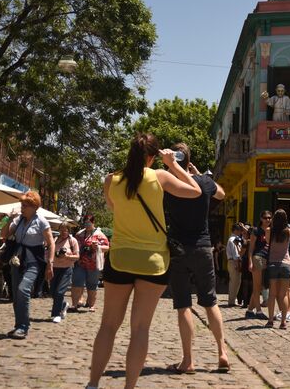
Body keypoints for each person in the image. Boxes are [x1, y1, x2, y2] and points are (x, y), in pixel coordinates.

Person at [87, 133, 201, 389]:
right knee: (140, 329)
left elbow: (114, 208)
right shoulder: (160, 177)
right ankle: (129, 387)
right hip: (153, 262)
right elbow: (195, 191)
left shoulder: (111, 180)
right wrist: (173, 165)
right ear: (152, 156)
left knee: (108, 325)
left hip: (121, 259)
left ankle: (93, 384)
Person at [163, 142, 229, 375]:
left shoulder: (168, 183)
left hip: (179, 249)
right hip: (203, 248)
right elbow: (221, 193)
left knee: (183, 305)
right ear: (188, 160)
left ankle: (188, 360)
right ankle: (222, 352)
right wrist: (200, 174)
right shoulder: (203, 182)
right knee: (210, 301)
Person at [0, 191, 54, 339]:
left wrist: (50, 263)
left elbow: (51, 243)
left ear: (35, 207)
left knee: (23, 290)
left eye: (25, 205)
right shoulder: (18, 220)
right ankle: (19, 325)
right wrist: (8, 218)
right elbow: (3, 234)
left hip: (33, 262)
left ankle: (24, 326)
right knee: (16, 295)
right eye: (21, 205)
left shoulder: (41, 221)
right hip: (17, 261)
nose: (22, 208)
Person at [265, 209, 290, 330]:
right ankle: (283, 322)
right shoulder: (289, 232)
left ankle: (270, 320)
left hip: (273, 264)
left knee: (272, 294)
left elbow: (267, 242)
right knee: (283, 295)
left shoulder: (269, 231)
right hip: (286, 264)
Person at [75, 217, 109, 312]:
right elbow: (75, 245)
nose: (87, 224)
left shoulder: (100, 234)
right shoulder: (80, 234)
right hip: (80, 263)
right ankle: (78, 301)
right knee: (78, 282)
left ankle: (91, 304)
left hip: (94, 264)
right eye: (85, 223)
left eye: (89, 223)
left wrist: (97, 246)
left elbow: (107, 247)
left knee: (92, 285)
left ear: (93, 223)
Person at [50, 224, 79, 323]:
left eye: (65, 230)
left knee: (59, 292)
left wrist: (66, 256)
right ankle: (63, 305)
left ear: (69, 231)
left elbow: (77, 256)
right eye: (61, 230)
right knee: (53, 292)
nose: (63, 232)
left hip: (66, 269)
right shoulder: (54, 240)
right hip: (54, 268)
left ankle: (56, 314)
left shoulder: (72, 241)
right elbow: (48, 253)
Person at [246, 211, 272, 320]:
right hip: (258, 258)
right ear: (261, 219)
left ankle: (249, 311)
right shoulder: (256, 231)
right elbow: (251, 248)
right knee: (257, 287)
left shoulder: (270, 231)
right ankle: (259, 311)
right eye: (265, 218)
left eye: (270, 218)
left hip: (266, 259)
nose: (268, 220)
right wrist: (250, 262)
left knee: (260, 286)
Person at [225, 223, 244, 307]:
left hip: (233, 261)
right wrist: (237, 263)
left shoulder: (234, 239)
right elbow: (235, 253)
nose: (241, 232)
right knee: (234, 282)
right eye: (240, 230)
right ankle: (231, 301)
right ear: (236, 230)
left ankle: (232, 299)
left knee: (236, 281)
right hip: (234, 262)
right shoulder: (233, 239)